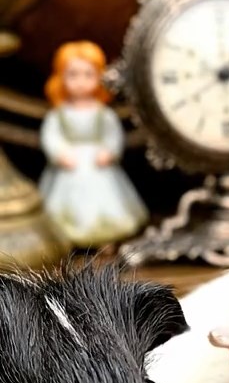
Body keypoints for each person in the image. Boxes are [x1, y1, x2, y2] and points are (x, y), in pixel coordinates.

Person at [40, 41, 148, 247]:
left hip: (97, 165)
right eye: (73, 74)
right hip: (70, 166)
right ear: (60, 77)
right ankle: (67, 238)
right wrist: (59, 153)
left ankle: (104, 239)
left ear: (99, 77)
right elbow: (51, 136)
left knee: (104, 202)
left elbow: (113, 135)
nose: (80, 82)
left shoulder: (103, 114)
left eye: (88, 75)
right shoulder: (59, 114)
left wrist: (109, 151)